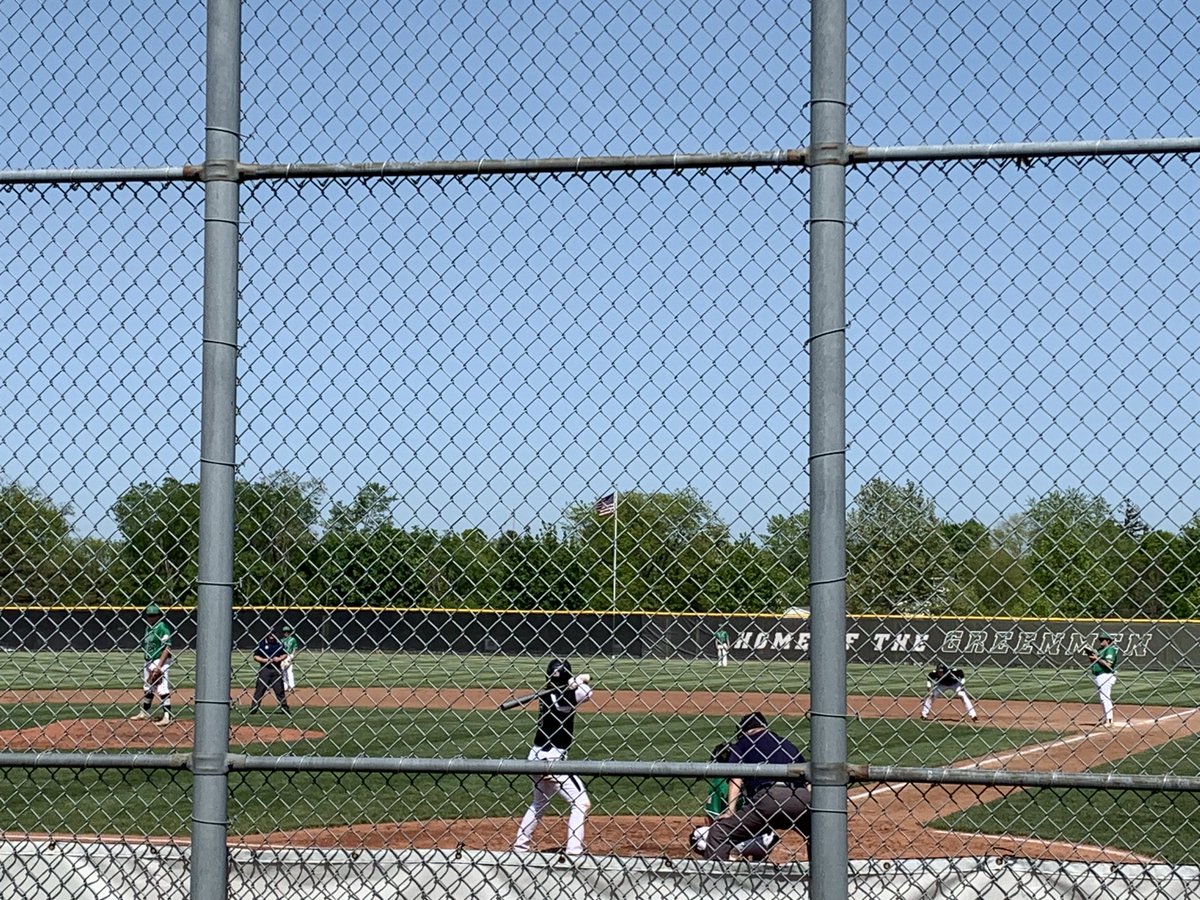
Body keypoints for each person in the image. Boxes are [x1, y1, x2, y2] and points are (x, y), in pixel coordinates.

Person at [697, 712, 810, 861]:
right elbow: (808, 782)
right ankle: (822, 879)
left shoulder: (743, 744)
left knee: (719, 833)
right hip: (801, 798)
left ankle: (715, 881)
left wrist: (731, 810)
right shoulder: (786, 744)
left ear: (744, 731)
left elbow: (736, 776)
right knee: (818, 835)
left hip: (769, 798)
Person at [512, 658, 594, 857]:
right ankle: (574, 852)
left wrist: (575, 680)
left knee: (539, 803)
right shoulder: (564, 698)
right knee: (581, 803)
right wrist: (578, 680)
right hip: (553, 760)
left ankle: (519, 848)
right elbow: (588, 693)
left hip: (536, 756)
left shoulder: (548, 694)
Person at [130, 603, 173, 725]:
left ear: (159, 615)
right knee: (148, 687)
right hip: (149, 660)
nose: (151, 617)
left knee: (162, 687)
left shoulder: (162, 628)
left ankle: (167, 716)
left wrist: (159, 666)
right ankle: (144, 712)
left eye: (154, 615)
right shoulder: (148, 627)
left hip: (160, 660)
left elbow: (167, 648)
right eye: (149, 615)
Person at [249, 626, 291, 714]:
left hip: (276, 668)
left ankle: (284, 708)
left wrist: (279, 659)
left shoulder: (279, 644)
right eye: (270, 634)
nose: (272, 636)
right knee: (260, 689)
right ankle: (254, 708)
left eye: (273, 634)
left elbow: (285, 654)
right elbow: (255, 656)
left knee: (279, 690)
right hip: (265, 669)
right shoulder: (262, 644)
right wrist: (264, 660)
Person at [1086, 631, 1120, 726]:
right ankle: (1106, 718)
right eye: (1100, 639)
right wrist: (1091, 656)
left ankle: (1109, 719)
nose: (1100, 641)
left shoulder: (1110, 649)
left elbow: (1108, 664)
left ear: (1108, 641)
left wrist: (1096, 658)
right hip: (1099, 675)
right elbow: (1096, 661)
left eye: (1102, 639)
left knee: (1105, 697)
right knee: (1103, 698)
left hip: (1106, 674)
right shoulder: (1100, 650)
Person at [280, 623, 300, 696]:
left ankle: (291, 686)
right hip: (282, 656)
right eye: (285, 632)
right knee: (283, 672)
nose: (286, 633)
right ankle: (285, 686)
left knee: (289, 671)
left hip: (289, 655)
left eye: (287, 631)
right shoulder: (281, 640)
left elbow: (295, 648)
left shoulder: (293, 639)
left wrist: (292, 656)